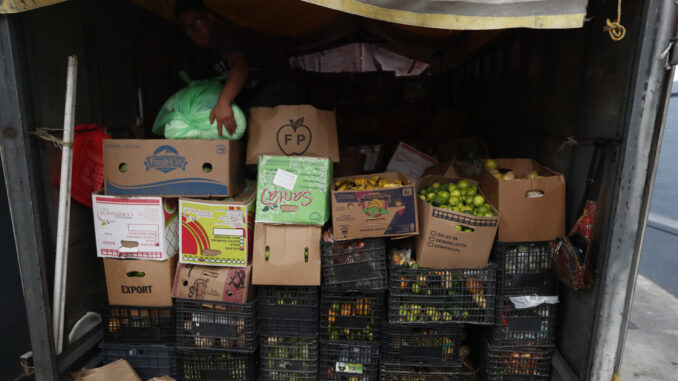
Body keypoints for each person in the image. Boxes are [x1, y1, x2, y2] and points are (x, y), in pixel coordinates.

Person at [175, 0, 295, 136]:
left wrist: (223, 102)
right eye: (187, 29)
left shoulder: (225, 35)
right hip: (255, 92)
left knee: (254, 130)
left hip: (277, 84)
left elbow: (239, 67)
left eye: (197, 23)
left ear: (210, 18)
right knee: (236, 123)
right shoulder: (207, 54)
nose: (194, 32)